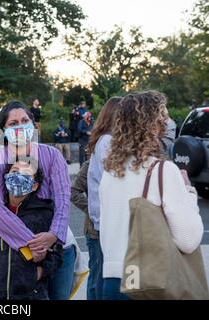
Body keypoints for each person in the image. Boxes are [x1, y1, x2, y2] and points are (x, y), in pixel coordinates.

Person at [99, 91, 204, 300]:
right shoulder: (163, 171)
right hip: (148, 283)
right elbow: (189, 240)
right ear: (154, 125)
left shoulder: (110, 172)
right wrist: (189, 191)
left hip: (111, 281)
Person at [0, 101, 72, 298]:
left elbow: (63, 200)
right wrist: (33, 245)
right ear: (3, 130)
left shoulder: (52, 156)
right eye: (13, 123)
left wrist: (54, 235)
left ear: (33, 124)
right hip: (12, 252)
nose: (20, 126)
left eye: (24, 120)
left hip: (56, 247)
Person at [0, 159, 62, 300]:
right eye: (15, 171)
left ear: (34, 186)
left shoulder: (44, 214)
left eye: (26, 173)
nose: (18, 176)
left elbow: (56, 253)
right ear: (6, 178)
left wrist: (40, 272)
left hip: (32, 295)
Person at [86, 96, 122, 300]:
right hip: (104, 225)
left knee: (100, 280)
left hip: (102, 222)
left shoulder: (104, 140)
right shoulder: (108, 141)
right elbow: (117, 177)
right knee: (102, 283)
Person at [71, 160, 101, 300]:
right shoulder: (91, 164)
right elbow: (73, 192)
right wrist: (92, 210)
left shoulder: (121, 161)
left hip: (117, 230)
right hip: (95, 232)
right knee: (96, 276)